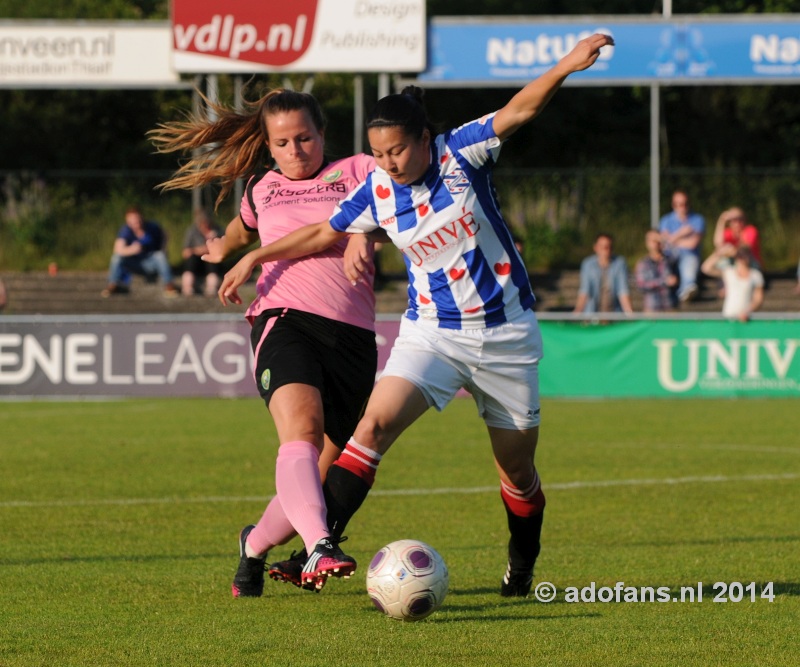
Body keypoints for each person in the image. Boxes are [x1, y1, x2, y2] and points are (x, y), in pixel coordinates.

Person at [213, 33, 615, 598]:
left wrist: (567, 66)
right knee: (369, 431)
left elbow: (519, 109)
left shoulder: (462, 153)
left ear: (424, 139)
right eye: (377, 155)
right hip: (431, 335)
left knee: (517, 473)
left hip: (505, 336)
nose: (387, 164)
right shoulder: (378, 188)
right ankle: (316, 550)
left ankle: (521, 566)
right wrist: (257, 252)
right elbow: (325, 230)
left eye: (397, 151)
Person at [149, 88, 378, 596]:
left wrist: (368, 232)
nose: (296, 150)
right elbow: (235, 235)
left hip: (354, 338)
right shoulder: (260, 189)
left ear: (323, 135)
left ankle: (253, 547)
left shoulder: (360, 170)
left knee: (316, 479)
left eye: (305, 138)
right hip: (283, 318)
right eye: (283, 142)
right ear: (268, 147)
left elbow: (403, 207)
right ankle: (320, 546)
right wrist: (220, 250)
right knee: (302, 429)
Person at [101, 206, 178, 298]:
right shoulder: (126, 230)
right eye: (131, 220)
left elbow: (165, 235)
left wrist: (163, 248)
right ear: (128, 221)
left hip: (150, 263)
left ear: (141, 218)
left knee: (160, 255)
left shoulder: (152, 227)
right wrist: (131, 250)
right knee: (116, 257)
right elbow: (117, 250)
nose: (135, 222)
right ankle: (113, 284)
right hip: (134, 264)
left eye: (136, 219)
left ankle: (169, 285)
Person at [658, 189, 705, 302]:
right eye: (678, 204)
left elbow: (693, 244)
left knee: (689, 258)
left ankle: (687, 289)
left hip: (689, 256)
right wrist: (682, 233)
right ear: (673, 205)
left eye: (685, 204)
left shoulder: (698, 219)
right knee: (662, 259)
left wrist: (673, 239)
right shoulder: (666, 220)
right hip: (670, 255)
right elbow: (664, 242)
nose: (682, 207)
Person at [573, 233, 634, 315]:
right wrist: (577, 313)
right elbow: (585, 290)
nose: (606, 249)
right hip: (592, 314)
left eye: (608, 246)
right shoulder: (587, 264)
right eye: (602, 246)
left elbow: (623, 291)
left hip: (614, 315)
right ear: (595, 248)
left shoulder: (620, 263)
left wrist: (630, 314)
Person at [701, 246, 764, 321]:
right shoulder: (729, 272)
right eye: (740, 254)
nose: (742, 257)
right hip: (728, 317)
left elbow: (758, 299)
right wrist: (720, 253)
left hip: (745, 319)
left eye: (745, 254)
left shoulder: (755, 275)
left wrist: (747, 312)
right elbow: (706, 268)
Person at [181, 207, 223, 296]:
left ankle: (212, 287)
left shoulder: (218, 230)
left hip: (211, 262)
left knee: (212, 259)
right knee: (191, 259)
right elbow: (185, 252)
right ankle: (187, 286)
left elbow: (223, 248)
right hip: (196, 262)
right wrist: (200, 250)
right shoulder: (192, 231)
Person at [634, 229, 678, 313]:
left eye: (658, 240)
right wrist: (664, 282)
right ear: (647, 243)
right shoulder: (643, 263)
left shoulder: (669, 260)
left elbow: (677, 251)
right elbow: (641, 285)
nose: (656, 243)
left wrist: (664, 240)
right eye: (652, 240)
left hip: (670, 308)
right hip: (652, 309)